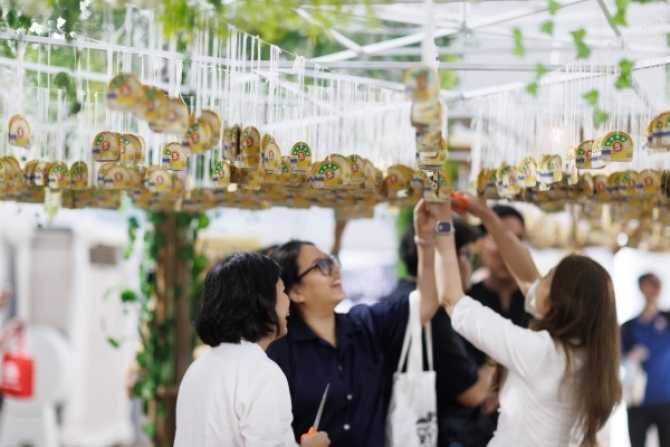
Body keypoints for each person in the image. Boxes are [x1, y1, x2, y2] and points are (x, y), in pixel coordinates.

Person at [428, 193, 621, 447]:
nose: (537, 281)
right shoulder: (586, 352)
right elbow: (526, 275)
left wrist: (442, 220)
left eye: (547, 277)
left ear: (559, 302)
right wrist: (485, 214)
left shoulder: (540, 352)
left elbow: (452, 299)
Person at [267, 201, 441, 447]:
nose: (335, 270)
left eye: (332, 261)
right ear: (295, 292)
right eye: (321, 266)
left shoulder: (366, 325)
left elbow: (427, 303)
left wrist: (425, 240)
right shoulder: (280, 350)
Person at [175, 253, 330, 447]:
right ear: (263, 301)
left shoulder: (198, 367)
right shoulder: (261, 372)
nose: (288, 300)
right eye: (283, 290)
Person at [382, 220, 494, 447]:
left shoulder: (398, 298)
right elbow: (473, 393)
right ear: (443, 260)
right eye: (464, 255)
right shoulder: (429, 313)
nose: (468, 265)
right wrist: (501, 356)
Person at [621, 273, 670, 447]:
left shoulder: (667, 320)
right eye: (651, 283)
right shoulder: (629, 326)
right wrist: (631, 355)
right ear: (642, 287)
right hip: (638, 400)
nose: (655, 287)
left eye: (658, 283)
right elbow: (617, 356)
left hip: (666, 399)